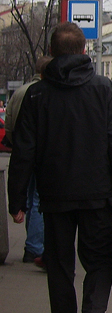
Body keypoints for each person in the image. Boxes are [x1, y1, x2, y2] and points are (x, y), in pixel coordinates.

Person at [7, 22, 112, 313]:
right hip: (97, 195)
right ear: (84, 50)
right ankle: (93, 311)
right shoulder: (103, 90)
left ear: (50, 52)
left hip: (55, 197)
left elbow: (23, 152)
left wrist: (17, 200)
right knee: (100, 260)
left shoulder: (37, 96)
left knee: (59, 265)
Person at [2, 54, 52, 266]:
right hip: (41, 156)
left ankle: (32, 243)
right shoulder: (46, 93)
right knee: (38, 199)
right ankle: (34, 246)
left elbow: (10, 125)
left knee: (31, 200)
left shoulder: (19, 92)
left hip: (23, 153)